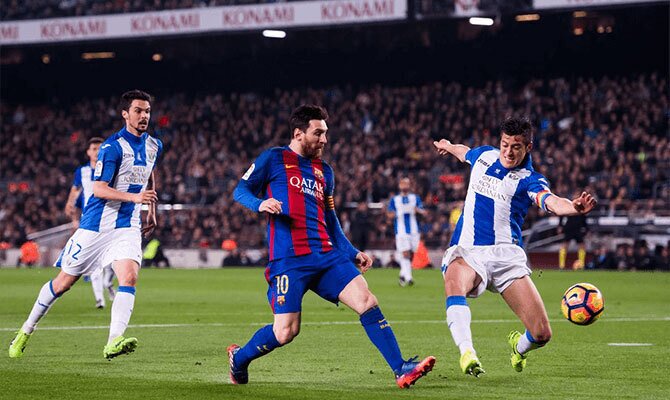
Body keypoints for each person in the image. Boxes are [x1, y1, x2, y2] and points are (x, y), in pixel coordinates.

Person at [230, 105, 435, 388]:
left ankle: (401, 368)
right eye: (318, 133)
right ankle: (239, 359)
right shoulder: (273, 159)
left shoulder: (325, 171)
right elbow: (240, 190)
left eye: (326, 133)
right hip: (290, 260)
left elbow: (330, 218)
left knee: (367, 301)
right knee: (286, 332)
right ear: (298, 134)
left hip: (327, 255)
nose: (325, 140)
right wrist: (260, 203)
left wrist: (351, 252)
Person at [433, 117, 597, 377]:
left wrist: (573, 208)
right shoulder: (485, 155)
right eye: (504, 144)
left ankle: (518, 348)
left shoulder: (529, 180)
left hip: (506, 256)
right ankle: (467, 353)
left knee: (542, 333)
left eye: (516, 147)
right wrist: (449, 145)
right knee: (454, 282)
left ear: (528, 147)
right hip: (469, 249)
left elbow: (551, 201)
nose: (508, 152)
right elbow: (465, 153)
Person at [9, 90, 161, 360]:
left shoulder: (154, 145)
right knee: (64, 283)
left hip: (127, 225)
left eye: (147, 111)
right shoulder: (111, 148)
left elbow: (149, 176)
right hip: (95, 226)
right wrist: (136, 197)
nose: (144, 116)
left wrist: (150, 209)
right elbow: (100, 189)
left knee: (129, 276)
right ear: (125, 114)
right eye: (138, 110)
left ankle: (114, 341)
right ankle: (25, 330)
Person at [64, 137, 117, 308]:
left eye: (99, 148)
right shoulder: (83, 171)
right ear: (88, 152)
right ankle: (99, 300)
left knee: (112, 262)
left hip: (109, 218)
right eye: (93, 148)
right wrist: (70, 204)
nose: (96, 151)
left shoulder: (110, 167)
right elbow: (75, 189)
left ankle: (108, 282)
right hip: (90, 221)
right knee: (95, 263)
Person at [387, 178, 426, 286]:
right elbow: (389, 214)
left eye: (406, 184)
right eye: (402, 184)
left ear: (409, 185)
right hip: (401, 231)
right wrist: (397, 213)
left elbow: (424, 211)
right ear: (399, 186)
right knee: (405, 253)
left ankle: (402, 275)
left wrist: (417, 210)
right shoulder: (395, 199)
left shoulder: (415, 198)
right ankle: (409, 278)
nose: (404, 186)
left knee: (412, 254)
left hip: (414, 231)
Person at [557, 203, 588, 270]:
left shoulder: (581, 207)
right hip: (569, 228)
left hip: (578, 228)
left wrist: (585, 227)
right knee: (565, 245)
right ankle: (561, 266)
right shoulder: (568, 205)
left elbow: (584, 217)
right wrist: (560, 225)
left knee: (582, 245)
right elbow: (562, 215)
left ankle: (581, 265)